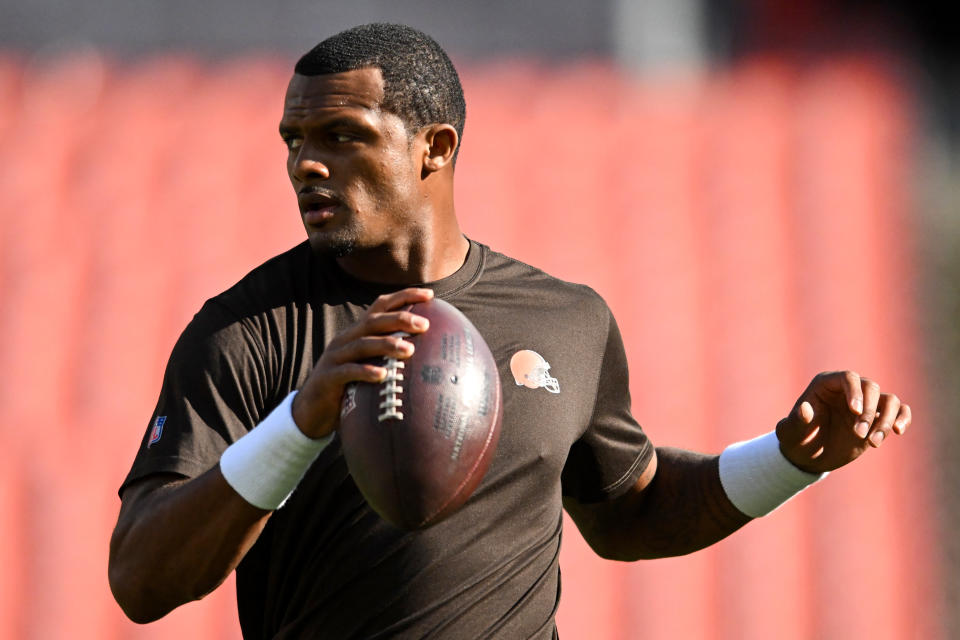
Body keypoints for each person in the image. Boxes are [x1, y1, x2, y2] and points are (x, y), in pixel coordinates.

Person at [108, 23, 911, 639]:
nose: (304, 165)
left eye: (341, 136)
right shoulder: (243, 333)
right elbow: (141, 580)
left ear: (436, 147)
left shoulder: (566, 318)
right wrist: (300, 420)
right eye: (294, 141)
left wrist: (792, 458)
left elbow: (631, 511)